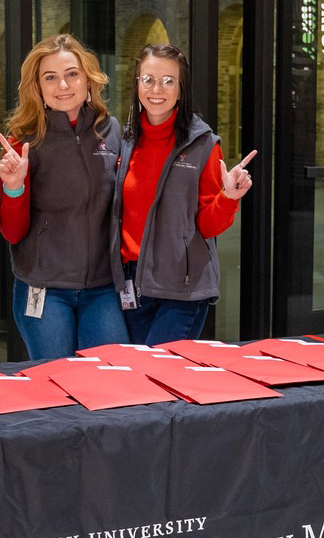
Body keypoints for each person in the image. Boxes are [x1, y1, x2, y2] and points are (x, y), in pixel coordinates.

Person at [110, 43, 256, 346]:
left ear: (181, 87)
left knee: (157, 375)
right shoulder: (125, 141)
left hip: (182, 287)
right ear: (137, 83)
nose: (156, 89)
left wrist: (228, 198)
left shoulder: (203, 145)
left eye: (168, 80)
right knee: (139, 379)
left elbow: (208, 226)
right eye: (148, 79)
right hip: (132, 283)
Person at [0, 33, 128, 359]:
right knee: (56, 392)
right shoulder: (24, 141)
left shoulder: (112, 132)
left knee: (114, 384)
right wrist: (14, 185)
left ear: (88, 79)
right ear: (37, 87)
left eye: (72, 74)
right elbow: (12, 232)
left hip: (103, 288)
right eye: (50, 77)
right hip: (44, 289)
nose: (63, 85)